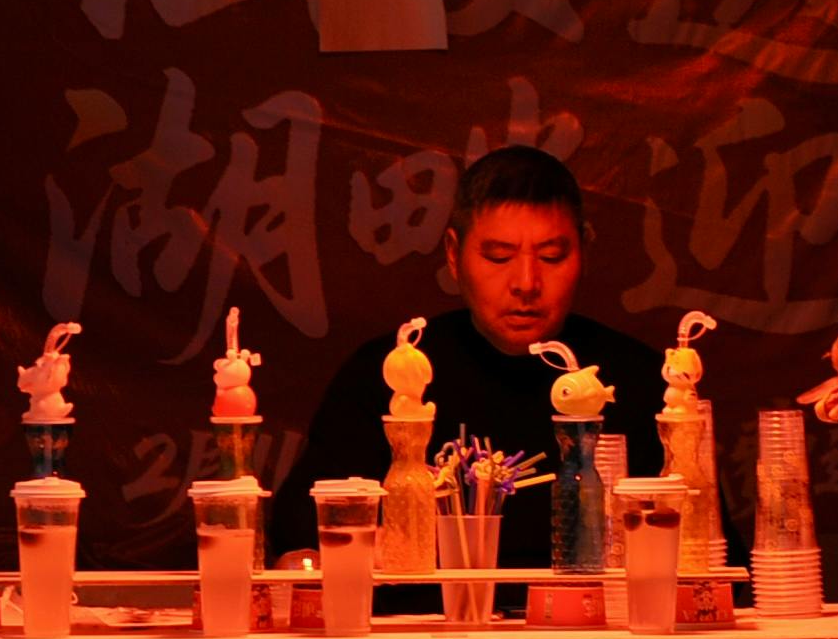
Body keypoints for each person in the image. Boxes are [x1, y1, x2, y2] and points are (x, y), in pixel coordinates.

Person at [271, 143, 658, 563]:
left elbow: (703, 555)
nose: (526, 282)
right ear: (454, 255)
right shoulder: (393, 374)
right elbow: (300, 535)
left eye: (551, 256)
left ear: (583, 250)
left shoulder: (635, 380)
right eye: (498, 256)